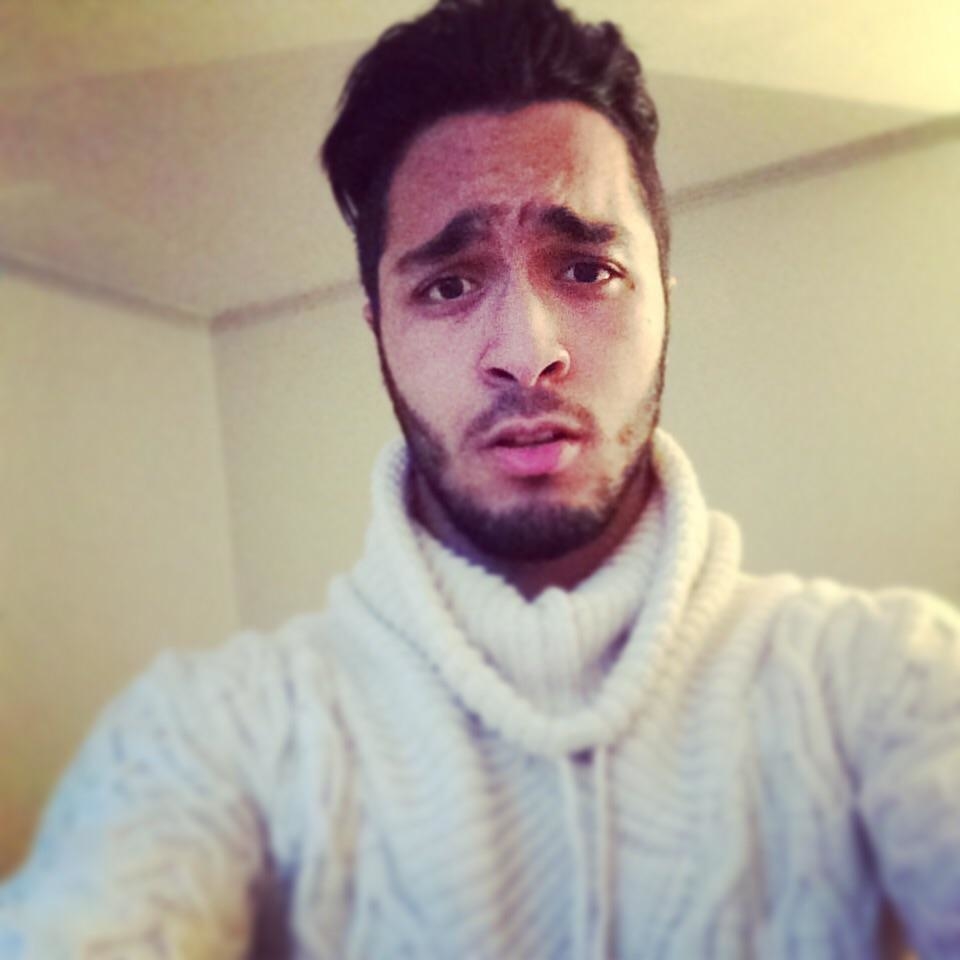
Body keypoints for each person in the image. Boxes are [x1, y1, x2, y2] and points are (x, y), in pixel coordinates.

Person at [1, 0, 958, 956]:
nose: (527, 353)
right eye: (450, 284)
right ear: (379, 327)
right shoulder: (215, 734)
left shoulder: (887, 682)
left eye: (586, 269)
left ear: (663, 299)